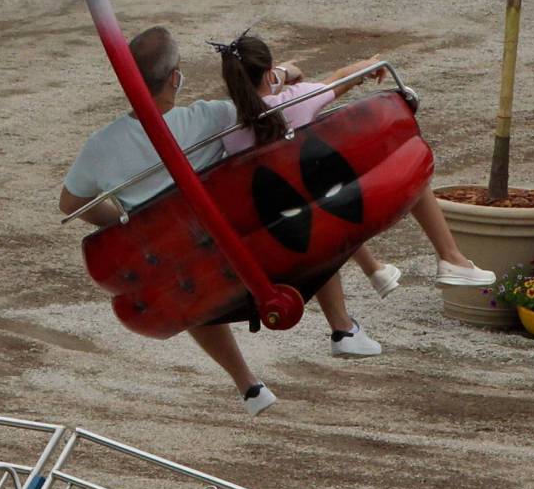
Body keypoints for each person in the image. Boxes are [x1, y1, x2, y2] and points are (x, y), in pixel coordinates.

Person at [59, 27, 379, 419]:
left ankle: (247, 383)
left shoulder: (99, 148)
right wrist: (284, 74)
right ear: (175, 78)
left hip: (187, 271)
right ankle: (342, 326)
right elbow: (267, 106)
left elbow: (71, 203)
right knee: (299, 202)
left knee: (181, 277)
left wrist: (126, 220)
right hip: (242, 247)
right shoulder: (211, 117)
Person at [212, 31, 496, 289]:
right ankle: (450, 256)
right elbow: (342, 77)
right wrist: (370, 64)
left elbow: (258, 99)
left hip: (280, 220)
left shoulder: (229, 127)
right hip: (323, 209)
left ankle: (374, 270)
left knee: (321, 191)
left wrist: (281, 73)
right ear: (267, 74)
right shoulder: (296, 100)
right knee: (409, 172)